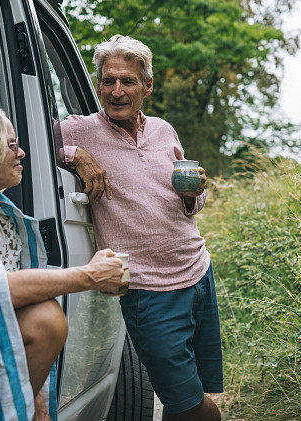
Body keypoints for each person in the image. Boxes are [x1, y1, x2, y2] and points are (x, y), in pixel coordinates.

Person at [58, 36, 223, 421]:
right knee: (194, 408)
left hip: (197, 270)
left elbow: (191, 205)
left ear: (147, 86)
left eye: (128, 81)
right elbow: (23, 140)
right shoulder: (80, 131)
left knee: (187, 389)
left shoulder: (164, 131)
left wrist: (194, 193)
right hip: (147, 289)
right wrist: (74, 155)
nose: (116, 91)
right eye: (108, 81)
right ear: (98, 84)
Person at [0, 103, 124, 421]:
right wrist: (89, 276)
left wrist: (39, 409)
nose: (22, 153)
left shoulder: (7, 218)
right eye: (12, 144)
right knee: (45, 318)